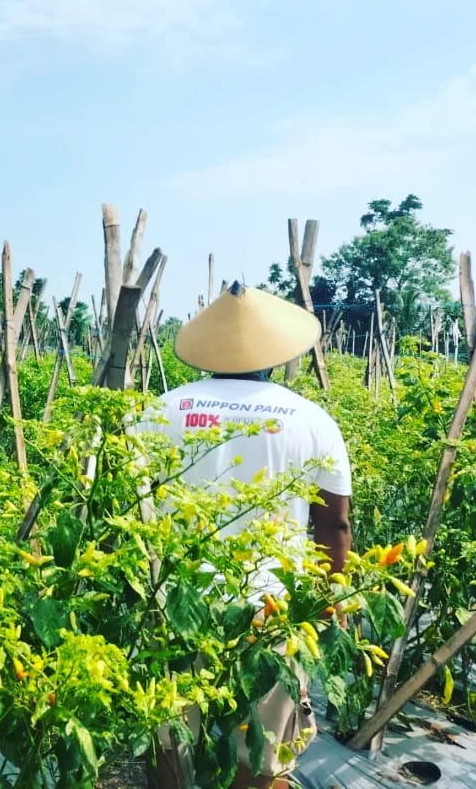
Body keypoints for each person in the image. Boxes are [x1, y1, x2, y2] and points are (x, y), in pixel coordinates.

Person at [147, 282, 352, 789]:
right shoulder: (312, 419)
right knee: (262, 748)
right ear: (275, 351)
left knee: (171, 739)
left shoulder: (159, 410)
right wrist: (330, 601)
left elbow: (131, 508)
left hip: (175, 602)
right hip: (272, 607)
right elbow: (334, 525)